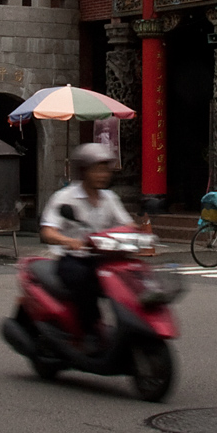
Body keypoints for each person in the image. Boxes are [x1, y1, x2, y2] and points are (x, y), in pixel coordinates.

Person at [39, 143, 133, 351]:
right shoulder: (65, 197)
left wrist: (138, 238)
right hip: (73, 259)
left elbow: (126, 224)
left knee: (129, 281)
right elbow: (48, 231)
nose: (102, 174)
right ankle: (88, 332)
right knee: (85, 282)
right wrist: (69, 241)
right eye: (97, 169)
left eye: (105, 169)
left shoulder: (110, 198)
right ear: (83, 171)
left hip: (103, 257)